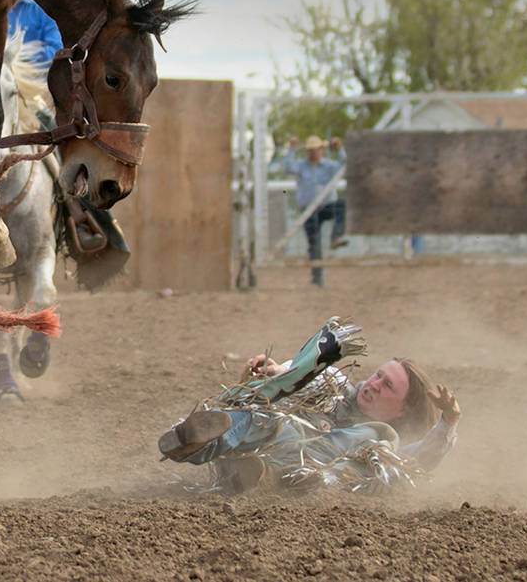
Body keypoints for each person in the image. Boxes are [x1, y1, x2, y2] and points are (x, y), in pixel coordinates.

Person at [158, 320, 460, 495]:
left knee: (379, 439)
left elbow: (421, 458)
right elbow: (296, 376)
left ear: (403, 410)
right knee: (266, 421)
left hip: (313, 471)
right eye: (378, 375)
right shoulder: (334, 382)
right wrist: (275, 371)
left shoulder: (384, 445)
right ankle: (193, 443)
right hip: (277, 441)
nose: (375, 384)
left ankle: (256, 473)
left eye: (388, 386)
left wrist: (449, 420)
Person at [279, 135, 347, 287]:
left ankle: (336, 236)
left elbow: (346, 166)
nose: (313, 153)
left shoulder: (329, 165)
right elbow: (286, 167)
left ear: (322, 150)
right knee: (314, 243)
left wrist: (340, 149)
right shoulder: (301, 166)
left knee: (342, 206)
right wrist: (291, 149)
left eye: (316, 150)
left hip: (326, 205)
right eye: (310, 150)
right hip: (308, 209)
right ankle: (317, 277)